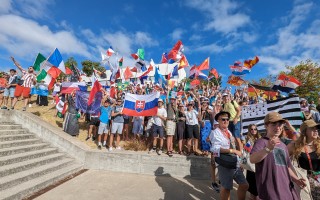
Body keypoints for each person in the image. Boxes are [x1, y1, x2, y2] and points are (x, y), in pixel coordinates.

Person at [250, 112, 306, 200]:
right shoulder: (261, 142)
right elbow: (252, 159)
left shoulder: (283, 145)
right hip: (271, 191)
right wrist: (268, 149)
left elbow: (286, 166)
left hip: (287, 189)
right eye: (274, 124)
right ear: (266, 126)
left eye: (280, 124)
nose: (278, 127)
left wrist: (296, 180)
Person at [210, 111, 249, 200]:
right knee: (226, 188)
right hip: (224, 163)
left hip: (234, 161)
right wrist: (233, 151)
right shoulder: (215, 132)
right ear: (218, 121)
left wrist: (240, 161)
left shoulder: (228, 132)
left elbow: (233, 145)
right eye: (223, 119)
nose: (226, 121)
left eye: (227, 119)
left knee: (244, 185)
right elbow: (215, 150)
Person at [288, 119, 320, 199]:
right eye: (312, 128)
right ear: (305, 131)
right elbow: (282, 161)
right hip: (304, 181)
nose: (316, 130)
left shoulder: (319, 144)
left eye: (316, 128)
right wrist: (294, 178)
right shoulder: (295, 146)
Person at [244, 124, 261, 200]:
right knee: (253, 187)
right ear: (249, 130)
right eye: (252, 129)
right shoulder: (248, 140)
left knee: (258, 186)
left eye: (255, 129)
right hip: (252, 164)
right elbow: (246, 153)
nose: (253, 131)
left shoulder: (260, 139)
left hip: (259, 164)